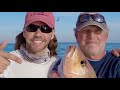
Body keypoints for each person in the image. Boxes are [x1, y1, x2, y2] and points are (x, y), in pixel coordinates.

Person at [51, 12, 120, 78]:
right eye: (85, 31)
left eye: (98, 31)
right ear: (76, 36)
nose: (91, 36)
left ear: (106, 36)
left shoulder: (117, 64)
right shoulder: (64, 62)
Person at [0, 12, 61, 78]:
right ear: (24, 32)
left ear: (52, 34)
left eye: (45, 29)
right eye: (32, 27)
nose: (38, 34)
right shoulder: (5, 63)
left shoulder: (62, 66)